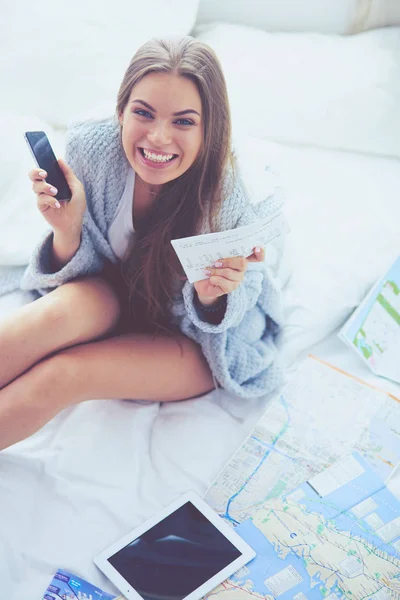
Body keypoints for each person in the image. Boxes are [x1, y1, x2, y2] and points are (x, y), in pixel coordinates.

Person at [0, 36, 284, 451]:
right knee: (40, 324)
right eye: (143, 113)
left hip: (189, 340)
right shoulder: (93, 148)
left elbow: (236, 310)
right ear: (121, 111)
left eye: (184, 122)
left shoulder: (233, 197)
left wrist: (212, 296)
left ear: (210, 129)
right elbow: (78, 266)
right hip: (111, 290)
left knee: (62, 375)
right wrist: (68, 228)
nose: (158, 138)